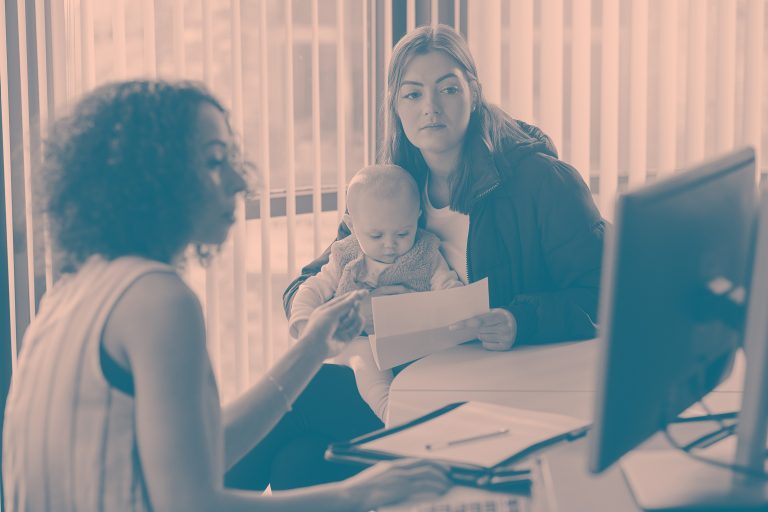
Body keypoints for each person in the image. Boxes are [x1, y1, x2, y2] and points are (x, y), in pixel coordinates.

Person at [1, 80, 450, 512]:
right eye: (216, 161)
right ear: (152, 179)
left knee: (302, 460)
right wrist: (360, 494)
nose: (241, 180)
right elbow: (190, 503)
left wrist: (315, 346)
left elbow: (199, 451)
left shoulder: (77, 289)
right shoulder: (158, 300)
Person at [235, 24, 606, 490]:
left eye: (448, 88)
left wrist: (518, 320)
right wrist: (326, 311)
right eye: (412, 94)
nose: (430, 107)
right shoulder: (394, 183)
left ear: (473, 91)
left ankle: (179, 497)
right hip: (408, 385)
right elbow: (322, 271)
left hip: (492, 396)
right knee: (301, 464)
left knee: (302, 398)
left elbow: (606, 294)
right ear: (395, 106)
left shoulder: (541, 181)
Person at [289, 164, 463, 421]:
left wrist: (458, 309)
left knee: (434, 371)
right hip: (361, 342)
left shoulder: (426, 253)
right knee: (368, 369)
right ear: (352, 225)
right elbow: (313, 287)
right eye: (376, 235)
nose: (390, 244)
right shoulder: (345, 255)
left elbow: (448, 289)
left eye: (403, 233)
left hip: (414, 344)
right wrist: (305, 321)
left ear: (417, 217)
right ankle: (389, 414)